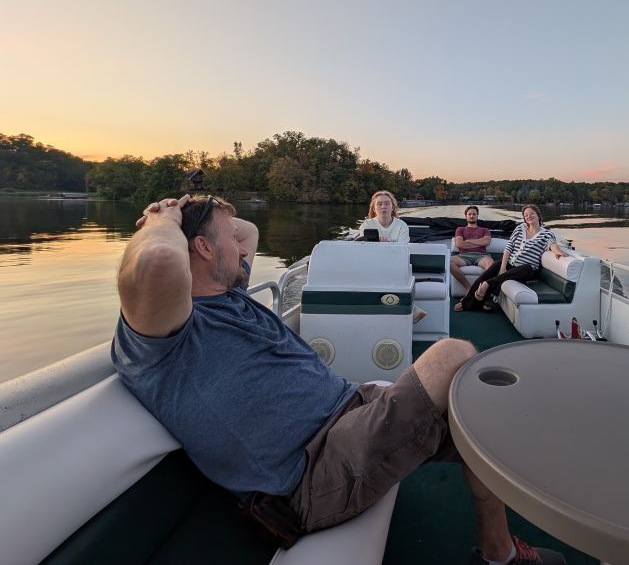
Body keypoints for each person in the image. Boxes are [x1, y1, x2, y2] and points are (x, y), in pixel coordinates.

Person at [112, 194, 564, 565]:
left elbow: (245, 231)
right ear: (204, 250)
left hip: (351, 409)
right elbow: (154, 262)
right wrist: (164, 218)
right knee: (451, 354)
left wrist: (202, 208)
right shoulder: (164, 336)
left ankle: (500, 554)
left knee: (479, 426)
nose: (245, 247)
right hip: (313, 474)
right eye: (228, 240)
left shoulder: (225, 293)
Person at [457, 204, 567, 312]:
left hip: (526, 270)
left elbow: (553, 245)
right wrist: (502, 267)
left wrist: (558, 252)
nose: (529, 216)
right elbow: (509, 248)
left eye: (531, 214)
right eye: (526, 215)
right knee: (486, 274)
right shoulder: (520, 229)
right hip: (510, 264)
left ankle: (488, 284)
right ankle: (467, 302)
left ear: (538, 215)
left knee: (527, 268)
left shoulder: (547, 234)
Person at [451, 205, 494, 291]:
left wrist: (468, 241)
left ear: (477, 216)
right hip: (464, 256)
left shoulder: (485, 230)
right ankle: (468, 288)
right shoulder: (460, 229)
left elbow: (487, 241)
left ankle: (481, 290)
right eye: (469, 214)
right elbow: (460, 244)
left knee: (490, 264)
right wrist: (479, 242)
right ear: (466, 216)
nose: (472, 216)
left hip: (482, 256)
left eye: (474, 214)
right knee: (449, 261)